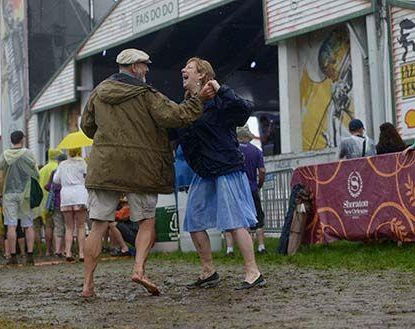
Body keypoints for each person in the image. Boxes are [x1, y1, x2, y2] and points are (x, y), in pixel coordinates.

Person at [80, 48, 216, 298]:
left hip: (104, 166)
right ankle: (139, 269)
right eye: (144, 66)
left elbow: (86, 126)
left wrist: (109, 138)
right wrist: (200, 100)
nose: (147, 70)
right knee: (146, 221)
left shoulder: (98, 93)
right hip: (140, 168)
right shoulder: (146, 94)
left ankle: (88, 285)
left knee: (98, 225)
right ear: (134, 68)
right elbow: (176, 116)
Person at [177, 57, 265, 291]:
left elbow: (244, 110)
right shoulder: (187, 104)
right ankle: (208, 272)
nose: (183, 70)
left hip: (226, 167)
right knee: (194, 221)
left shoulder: (218, 99)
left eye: (189, 68)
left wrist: (221, 89)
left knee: (235, 222)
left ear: (202, 76)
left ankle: (253, 272)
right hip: (205, 171)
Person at [0, 130, 39, 266]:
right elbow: (36, 173)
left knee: (11, 225)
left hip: (9, 193)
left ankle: (13, 256)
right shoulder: (28, 154)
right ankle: (30, 256)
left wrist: (1, 194)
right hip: (25, 193)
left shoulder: (5, 155)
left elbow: (0, 177)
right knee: (28, 225)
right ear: (22, 139)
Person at [53, 148, 88, 262]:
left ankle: (68, 252)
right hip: (80, 194)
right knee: (81, 226)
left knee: (69, 227)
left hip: (66, 195)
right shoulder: (82, 162)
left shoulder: (63, 164)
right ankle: (81, 253)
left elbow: (56, 179)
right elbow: (87, 176)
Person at [238, 126, 266, 253]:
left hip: (239, 189)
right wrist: (259, 184)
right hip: (253, 188)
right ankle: (261, 247)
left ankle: (246, 249)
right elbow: (262, 171)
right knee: (258, 218)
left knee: (243, 220)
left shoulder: (235, 150)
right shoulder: (256, 151)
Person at [35, 149, 62, 257]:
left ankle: (47, 250)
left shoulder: (42, 170)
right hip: (54, 201)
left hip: (44, 202)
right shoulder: (58, 168)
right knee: (57, 226)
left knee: (48, 227)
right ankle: (57, 249)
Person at [45, 153, 67, 257]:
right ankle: (67, 250)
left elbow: (49, 186)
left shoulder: (55, 172)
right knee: (69, 227)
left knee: (58, 227)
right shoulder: (69, 172)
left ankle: (58, 250)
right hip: (68, 202)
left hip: (57, 203)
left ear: (58, 162)